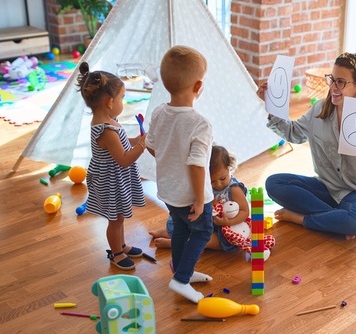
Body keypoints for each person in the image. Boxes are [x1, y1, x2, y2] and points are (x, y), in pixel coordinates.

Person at [257, 52, 356, 239]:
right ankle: (337, 220)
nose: (333, 87)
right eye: (332, 79)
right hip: (325, 188)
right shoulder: (319, 109)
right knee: (274, 183)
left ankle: (302, 219)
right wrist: (271, 105)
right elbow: (294, 133)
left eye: (340, 82)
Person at [145, 45, 213, 304]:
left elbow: (152, 146)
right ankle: (181, 279)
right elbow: (197, 164)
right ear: (198, 86)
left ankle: (182, 269)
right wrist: (198, 199)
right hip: (192, 195)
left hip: (169, 191)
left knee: (182, 230)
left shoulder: (159, 113)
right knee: (202, 231)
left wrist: (170, 159)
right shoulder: (200, 123)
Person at [76, 62, 147, 271]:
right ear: (109, 102)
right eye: (122, 98)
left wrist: (136, 140)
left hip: (115, 177)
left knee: (120, 215)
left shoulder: (110, 120)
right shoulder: (106, 129)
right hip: (109, 180)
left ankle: (122, 245)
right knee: (115, 219)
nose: (123, 103)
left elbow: (123, 144)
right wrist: (142, 145)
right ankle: (116, 253)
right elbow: (124, 159)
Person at [149, 145, 249, 253]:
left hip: (227, 228)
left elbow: (245, 211)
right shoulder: (205, 185)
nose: (218, 184)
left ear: (229, 167)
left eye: (223, 178)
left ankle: (173, 243)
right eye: (212, 181)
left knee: (211, 241)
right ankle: (169, 233)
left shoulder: (234, 188)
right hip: (207, 223)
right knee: (185, 224)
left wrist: (228, 221)